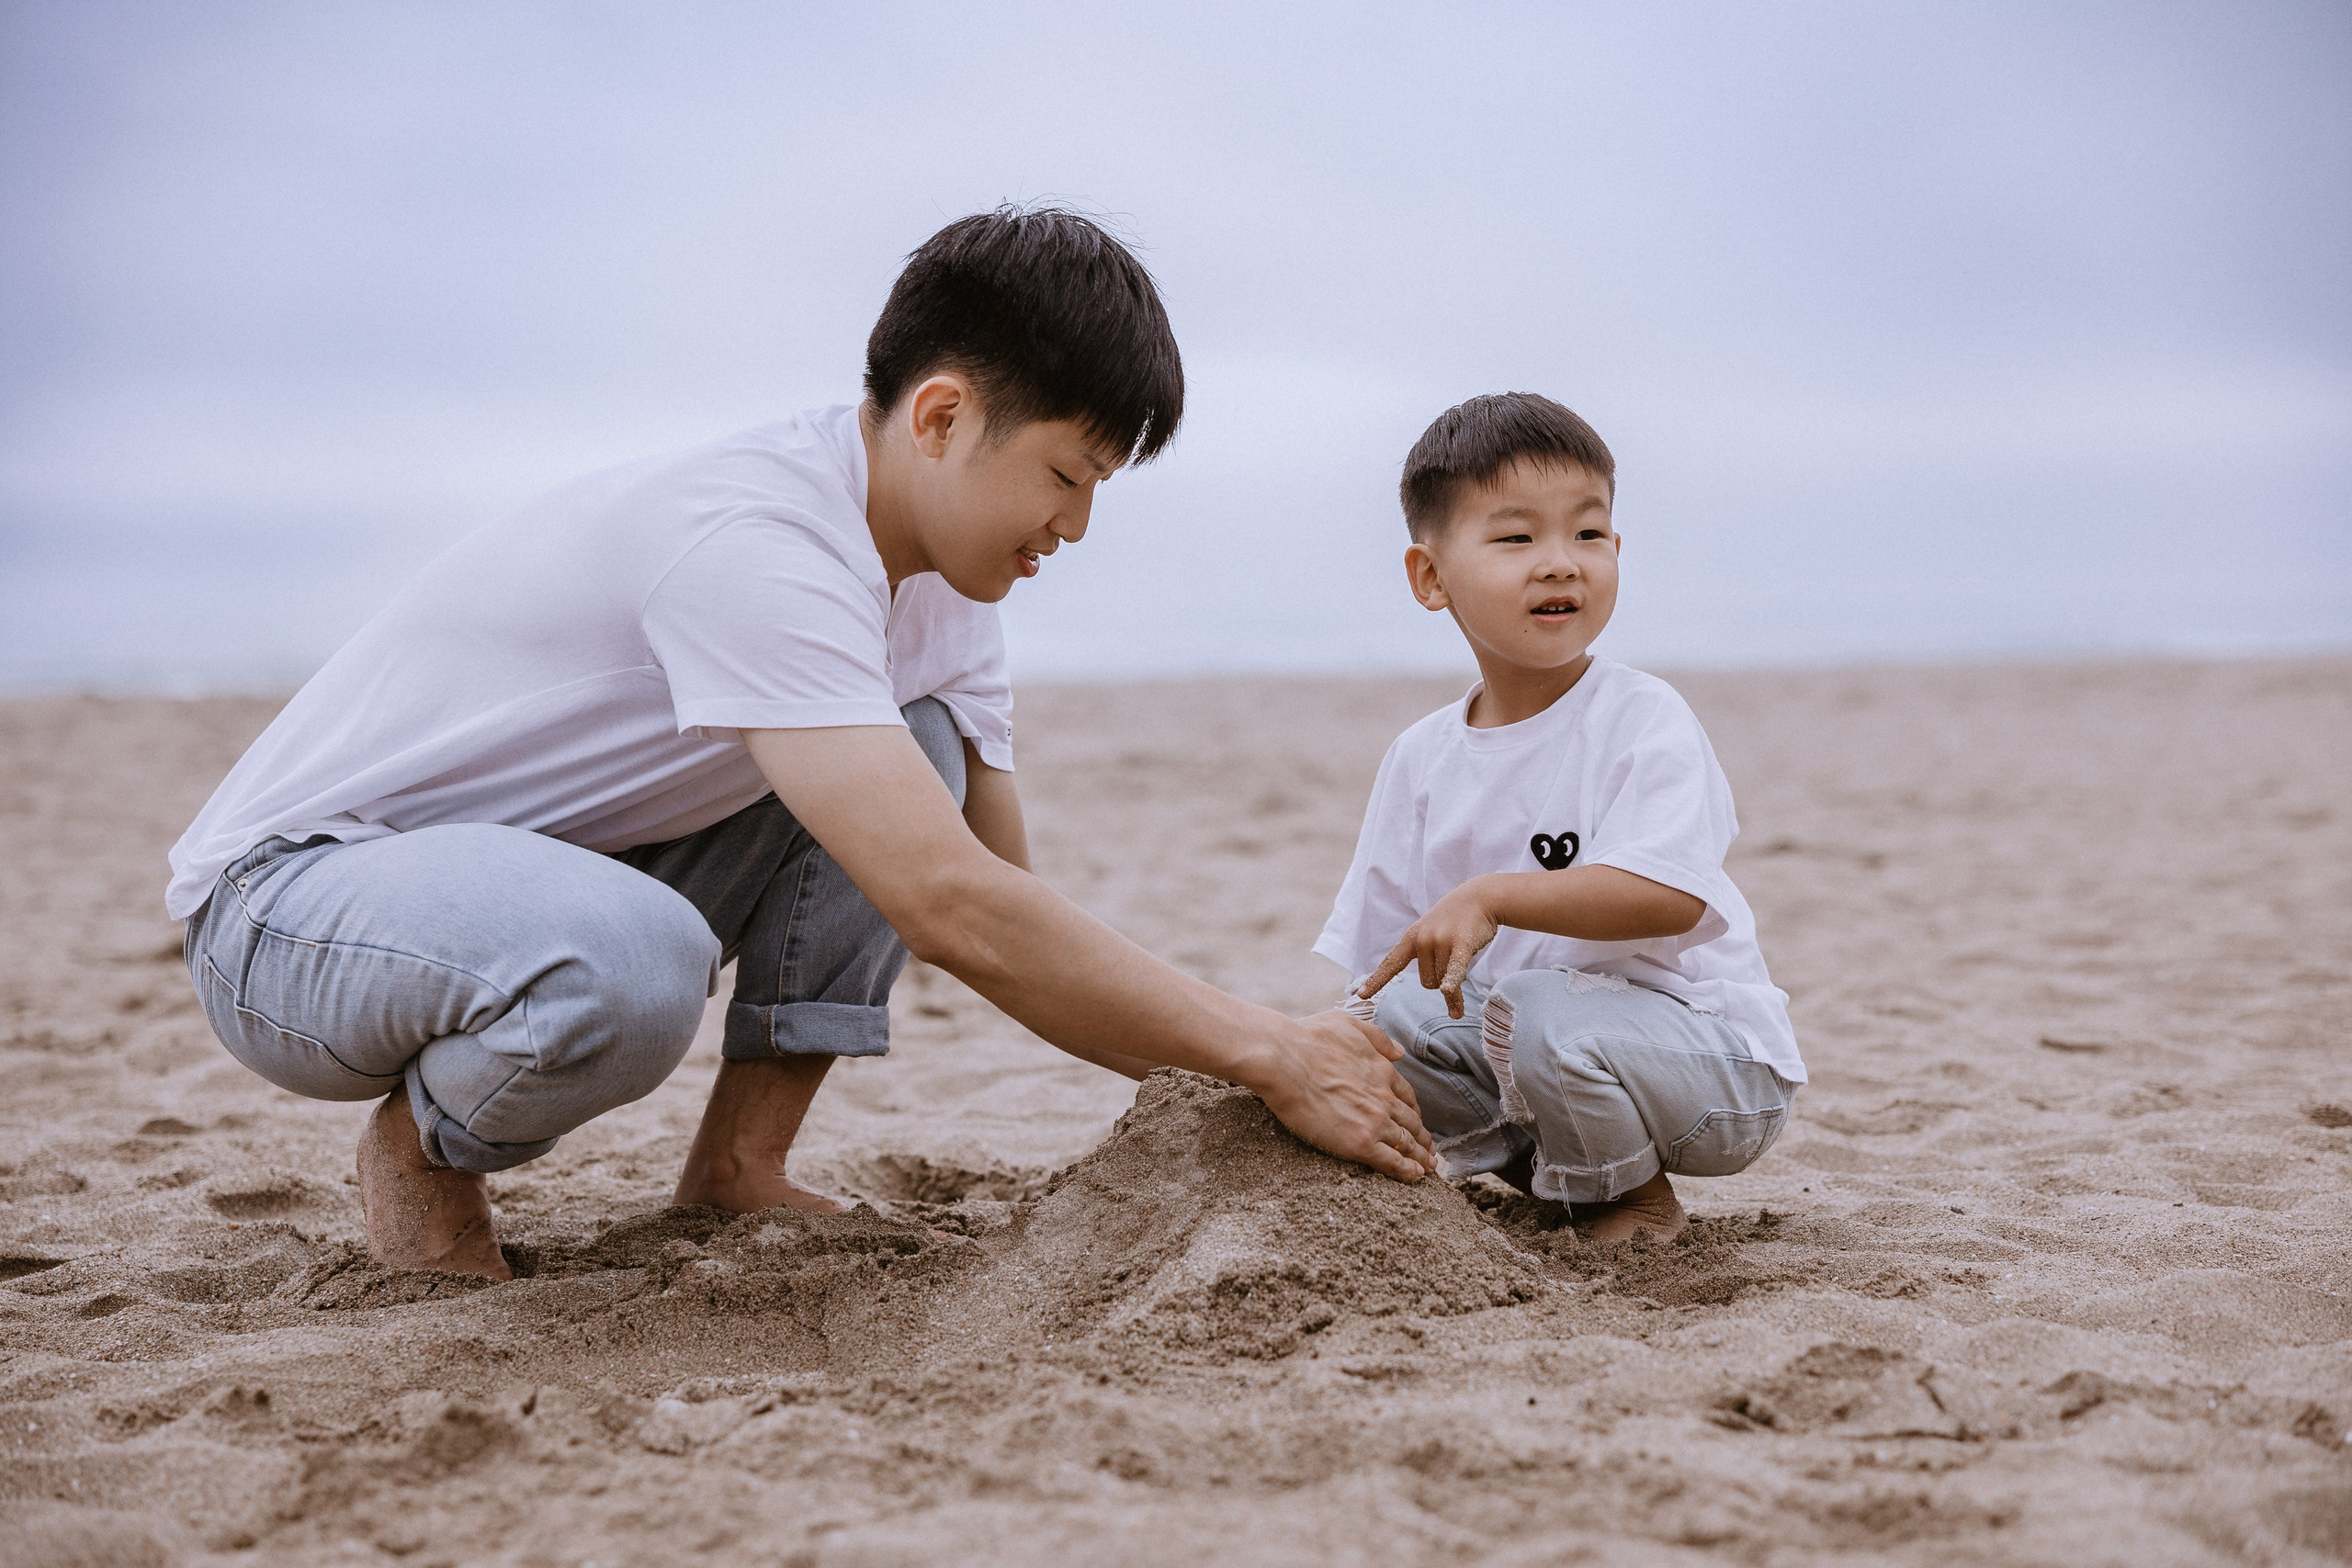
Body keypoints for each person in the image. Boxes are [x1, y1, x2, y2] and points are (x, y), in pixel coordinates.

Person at [168, 208, 1434, 1280]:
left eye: (1101, 484)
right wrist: (1268, 1049)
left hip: (525, 882)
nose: (1078, 522)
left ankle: (738, 1167)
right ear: (940, 416)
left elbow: (1002, 897)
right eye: (1067, 471)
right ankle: (424, 1149)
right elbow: (951, 909)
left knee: (917, 749)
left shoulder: (942, 588)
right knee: (636, 962)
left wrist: (1235, 1078)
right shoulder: (759, 540)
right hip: (292, 907)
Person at [1317, 392, 1801, 1241]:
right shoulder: (1421, 757)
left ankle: (1636, 1200)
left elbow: (1669, 899)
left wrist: (1494, 896)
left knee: (1540, 1005)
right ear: (1431, 577)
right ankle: (1558, 1184)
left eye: (1587, 534)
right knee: (1393, 1022)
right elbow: (1382, 970)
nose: (1560, 563)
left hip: (1712, 1072)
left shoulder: (1643, 717)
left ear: (1617, 549)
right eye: (1516, 537)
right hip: (1538, 1055)